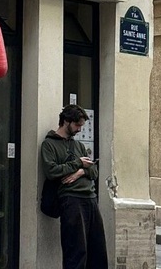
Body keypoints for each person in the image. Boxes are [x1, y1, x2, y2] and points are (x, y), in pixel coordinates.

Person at [41, 104, 108, 269]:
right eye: (77, 125)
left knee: (97, 249)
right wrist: (78, 163)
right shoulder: (49, 144)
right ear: (66, 121)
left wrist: (80, 172)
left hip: (90, 198)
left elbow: (93, 171)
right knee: (76, 250)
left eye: (81, 126)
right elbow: (52, 171)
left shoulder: (79, 146)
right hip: (71, 200)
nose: (79, 129)